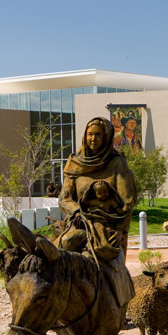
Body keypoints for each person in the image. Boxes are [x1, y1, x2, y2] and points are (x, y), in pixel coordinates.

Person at [57, 117, 137, 308]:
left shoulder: (117, 163)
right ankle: (62, 301)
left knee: (109, 264)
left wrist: (120, 230)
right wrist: (77, 211)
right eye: (90, 134)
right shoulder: (74, 163)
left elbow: (127, 202)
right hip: (81, 222)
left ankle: (117, 308)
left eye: (98, 135)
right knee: (65, 244)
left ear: (107, 137)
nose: (93, 139)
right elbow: (64, 198)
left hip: (110, 225)